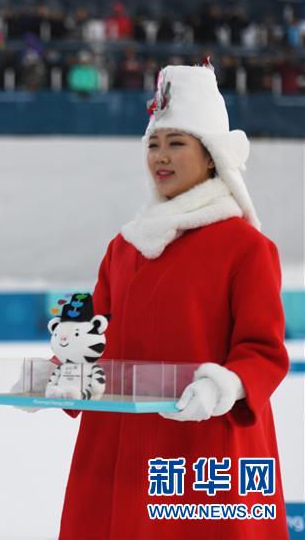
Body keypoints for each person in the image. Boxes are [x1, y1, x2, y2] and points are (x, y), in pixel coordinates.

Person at [58, 64, 289, 539]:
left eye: (176, 143)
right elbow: (91, 335)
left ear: (211, 158)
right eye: (153, 144)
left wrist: (222, 388)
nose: (160, 157)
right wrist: (66, 371)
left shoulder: (246, 248)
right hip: (118, 449)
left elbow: (264, 352)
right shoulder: (123, 248)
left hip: (203, 449)